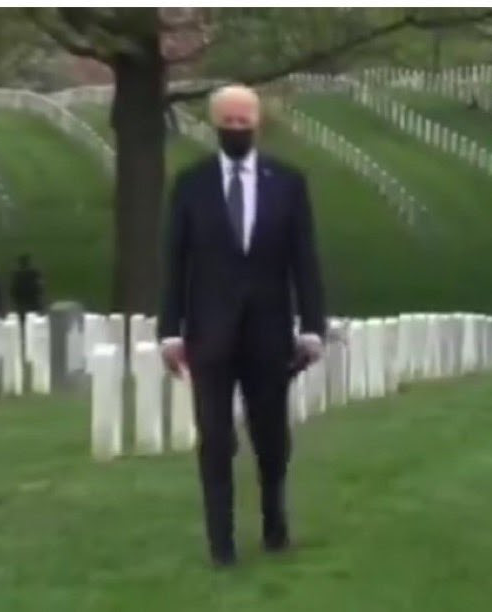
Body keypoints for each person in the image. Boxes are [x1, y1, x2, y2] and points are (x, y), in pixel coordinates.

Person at [157, 84, 327, 568]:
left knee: (271, 436)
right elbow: (175, 261)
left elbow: (304, 260)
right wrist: (170, 331)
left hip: (269, 332)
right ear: (215, 125)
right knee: (214, 439)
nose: (236, 130)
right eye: (227, 122)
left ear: (257, 123)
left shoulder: (287, 182)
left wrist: (312, 326)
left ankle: (275, 528)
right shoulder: (192, 184)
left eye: (243, 122)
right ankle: (221, 544)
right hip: (209, 333)